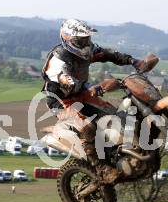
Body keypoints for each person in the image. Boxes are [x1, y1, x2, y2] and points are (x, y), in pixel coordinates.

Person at [41, 19, 149, 162]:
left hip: (81, 93)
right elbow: (65, 78)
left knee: (114, 115)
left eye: (87, 39)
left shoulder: (89, 50)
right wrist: (93, 87)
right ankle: (98, 165)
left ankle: (116, 150)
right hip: (61, 101)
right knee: (87, 127)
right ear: (68, 40)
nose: (86, 44)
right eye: (81, 41)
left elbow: (109, 55)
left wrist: (134, 61)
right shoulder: (58, 59)